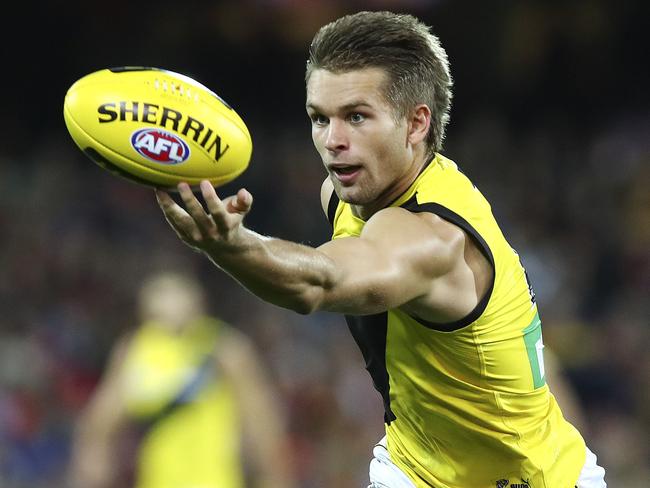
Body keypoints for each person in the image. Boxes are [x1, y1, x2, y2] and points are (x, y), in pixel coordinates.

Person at [155, 11, 606, 488]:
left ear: (415, 124)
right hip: (414, 467)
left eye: (356, 116)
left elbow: (319, 282)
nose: (333, 142)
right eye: (319, 118)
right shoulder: (349, 192)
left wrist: (229, 244)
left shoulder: (433, 237)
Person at [68, 270, 293, 488]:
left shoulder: (222, 349)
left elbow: (261, 419)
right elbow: (102, 419)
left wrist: (273, 475)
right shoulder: (136, 351)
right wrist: (93, 455)